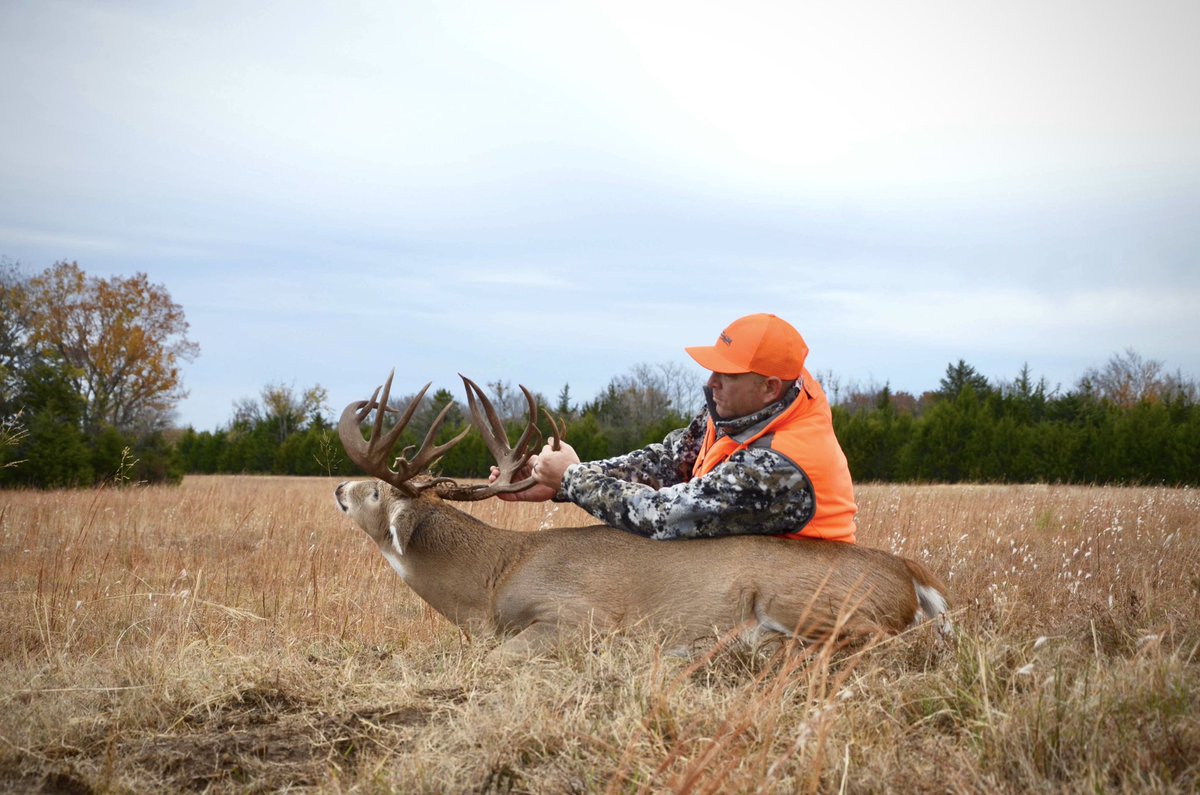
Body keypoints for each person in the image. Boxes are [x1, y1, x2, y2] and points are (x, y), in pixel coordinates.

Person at [494, 313, 858, 543]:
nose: (711, 382)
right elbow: (670, 461)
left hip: (804, 591)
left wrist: (574, 480)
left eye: (727, 374)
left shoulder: (779, 466)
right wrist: (556, 480)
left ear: (769, 387)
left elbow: (664, 517)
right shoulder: (742, 408)